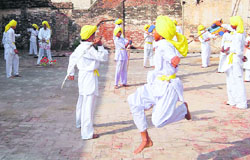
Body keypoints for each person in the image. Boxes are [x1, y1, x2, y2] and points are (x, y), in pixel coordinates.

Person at [127, 15, 191, 154]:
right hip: (157, 83)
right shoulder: (162, 44)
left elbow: (173, 58)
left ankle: (183, 111)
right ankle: (146, 140)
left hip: (168, 87)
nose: (153, 32)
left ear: (161, 34)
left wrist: (175, 60)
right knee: (134, 101)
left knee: (158, 122)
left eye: (155, 30)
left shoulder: (164, 45)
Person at [66, 25, 109, 139]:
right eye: (93, 34)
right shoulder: (88, 49)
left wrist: (70, 73)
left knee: (82, 100)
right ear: (90, 36)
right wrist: (100, 46)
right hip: (89, 76)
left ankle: (79, 122)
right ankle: (87, 133)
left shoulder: (81, 47)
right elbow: (103, 57)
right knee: (88, 104)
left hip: (83, 76)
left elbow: (72, 59)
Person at [223, 16, 247, 109]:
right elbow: (229, 27)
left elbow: (239, 50)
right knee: (230, 79)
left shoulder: (239, 35)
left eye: (232, 23)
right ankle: (233, 99)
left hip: (235, 58)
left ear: (236, 24)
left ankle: (241, 102)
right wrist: (221, 25)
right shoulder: (238, 32)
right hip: (232, 58)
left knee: (237, 80)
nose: (231, 25)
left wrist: (230, 50)